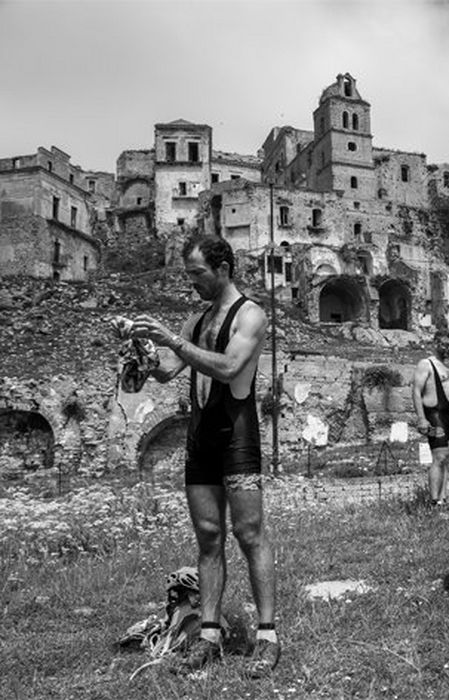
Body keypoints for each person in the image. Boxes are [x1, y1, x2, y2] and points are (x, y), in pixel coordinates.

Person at [130, 234, 279, 677]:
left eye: (198, 274)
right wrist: (142, 352)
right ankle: (209, 635)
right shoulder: (198, 319)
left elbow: (229, 367)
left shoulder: (249, 314)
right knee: (209, 537)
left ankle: (268, 636)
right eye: (189, 274)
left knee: (249, 534)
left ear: (223, 268)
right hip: (200, 438)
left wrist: (173, 340)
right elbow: (168, 371)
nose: (192, 282)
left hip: (237, 436)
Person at [411, 329, 449, 505]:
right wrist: (421, 418)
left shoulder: (446, 367)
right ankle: (434, 501)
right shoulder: (426, 364)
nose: (448, 349)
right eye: (445, 345)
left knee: (446, 458)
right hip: (434, 415)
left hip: (447, 417)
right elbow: (416, 390)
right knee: (438, 458)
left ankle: (443, 499)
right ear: (436, 343)